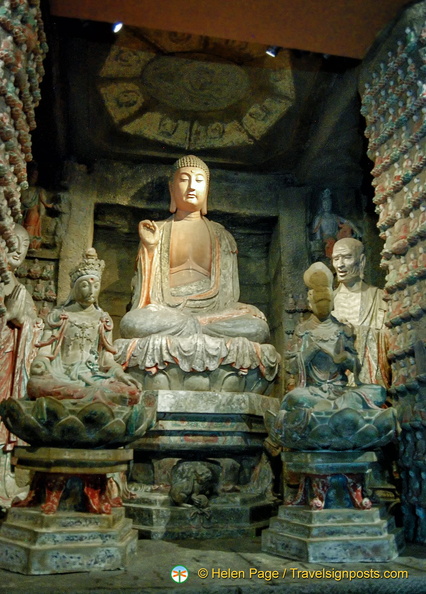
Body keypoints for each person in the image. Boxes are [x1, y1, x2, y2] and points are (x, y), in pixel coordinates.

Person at [120, 155, 269, 343]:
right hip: (167, 312)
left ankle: (198, 324)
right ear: (171, 188)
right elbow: (145, 298)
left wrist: (238, 308)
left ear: (207, 189)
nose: (192, 186)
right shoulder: (156, 231)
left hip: (214, 312)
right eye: (184, 179)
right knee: (133, 323)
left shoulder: (222, 236)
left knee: (257, 328)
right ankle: (199, 326)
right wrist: (150, 249)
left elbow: (227, 298)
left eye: (199, 180)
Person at [28, 248, 141, 406]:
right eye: (85, 286)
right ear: (75, 289)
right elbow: (44, 353)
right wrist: (40, 364)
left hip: (93, 376)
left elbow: (107, 360)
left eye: (95, 287)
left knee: (132, 393)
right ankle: (89, 397)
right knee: (35, 384)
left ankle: (81, 395)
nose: (91, 291)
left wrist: (121, 375)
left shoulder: (103, 319)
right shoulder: (59, 316)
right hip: (61, 375)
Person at [281, 262, 385, 413]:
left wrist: (347, 358)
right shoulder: (302, 330)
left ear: (333, 303)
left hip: (340, 390)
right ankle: (338, 409)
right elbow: (291, 368)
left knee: (377, 391)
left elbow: (356, 367)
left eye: (327, 302)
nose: (323, 307)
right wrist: (310, 351)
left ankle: (331, 407)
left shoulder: (343, 330)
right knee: (294, 397)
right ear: (310, 304)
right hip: (313, 392)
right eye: (318, 303)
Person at [331, 238, 390, 388]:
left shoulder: (379, 297)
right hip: (336, 380)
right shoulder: (328, 302)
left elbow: (390, 338)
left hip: (370, 381)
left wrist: (357, 332)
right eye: (336, 259)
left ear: (361, 260)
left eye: (347, 257)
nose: (340, 265)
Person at [310, 189, 361, 261]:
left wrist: (357, 231)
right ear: (322, 205)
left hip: (336, 238)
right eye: (325, 204)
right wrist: (319, 243)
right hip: (326, 240)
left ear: (331, 204)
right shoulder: (319, 218)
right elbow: (317, 232)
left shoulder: (334, 216)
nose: (327, 206)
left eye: (328, 203)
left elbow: (347, 222)